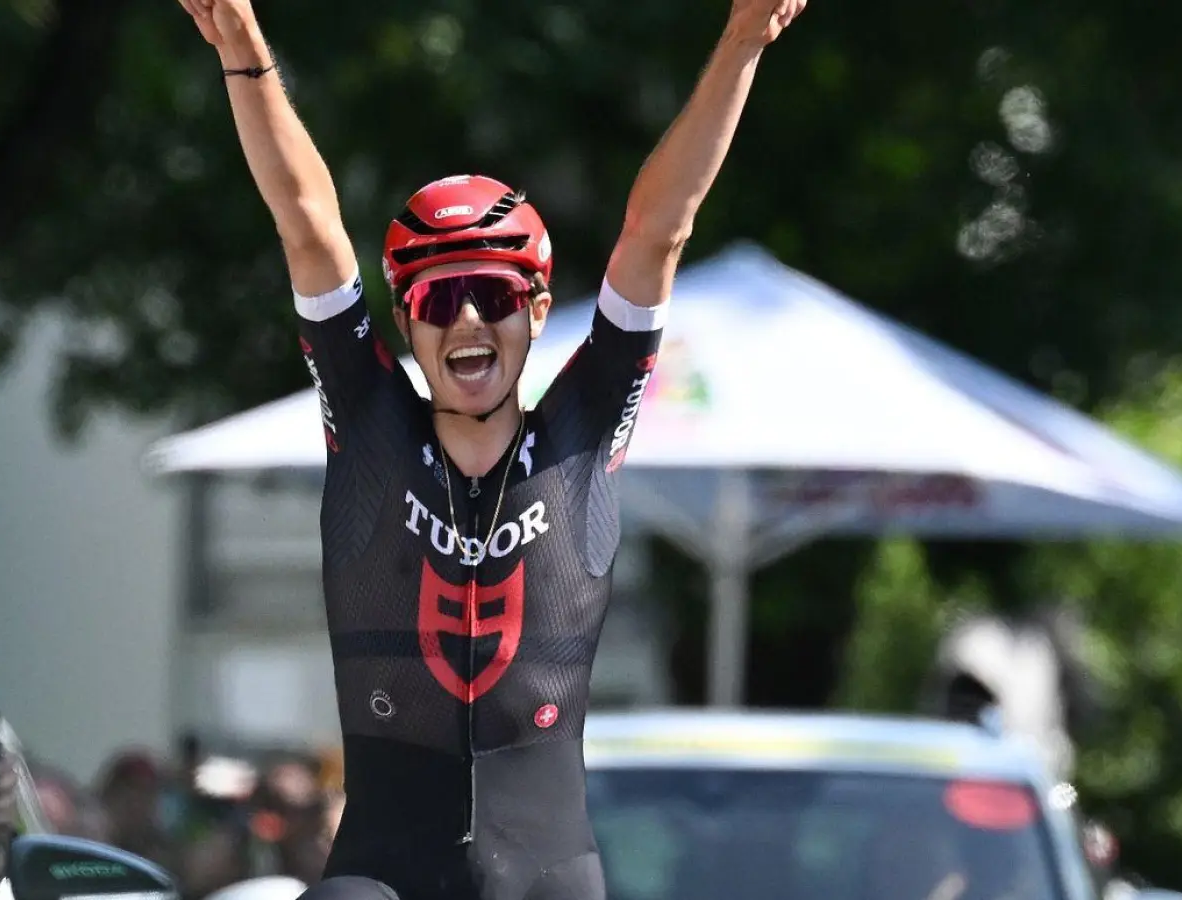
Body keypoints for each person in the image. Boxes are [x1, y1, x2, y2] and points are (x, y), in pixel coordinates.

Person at [173, 0, 806, 897]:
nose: (468, 319)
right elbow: (308, 222)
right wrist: (241, 45)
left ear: (539, 312)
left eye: (492, 294)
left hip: (547, 869)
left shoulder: (583, 432)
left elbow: (658, 229)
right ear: (407, 325)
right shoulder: (370, 425)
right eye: (437, 300)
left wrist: (743, 38)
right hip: (384, 871)